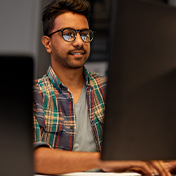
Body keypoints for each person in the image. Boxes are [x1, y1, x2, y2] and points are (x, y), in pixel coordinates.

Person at [33, 0, 172, 175]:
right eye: (68, 34)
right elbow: (34, 158)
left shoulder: (112, 91)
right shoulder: (33, 95)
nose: (79, 42)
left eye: (84, 34)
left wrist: (165, 165)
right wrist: (106, 160)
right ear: (47, 43)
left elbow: (146, 147)